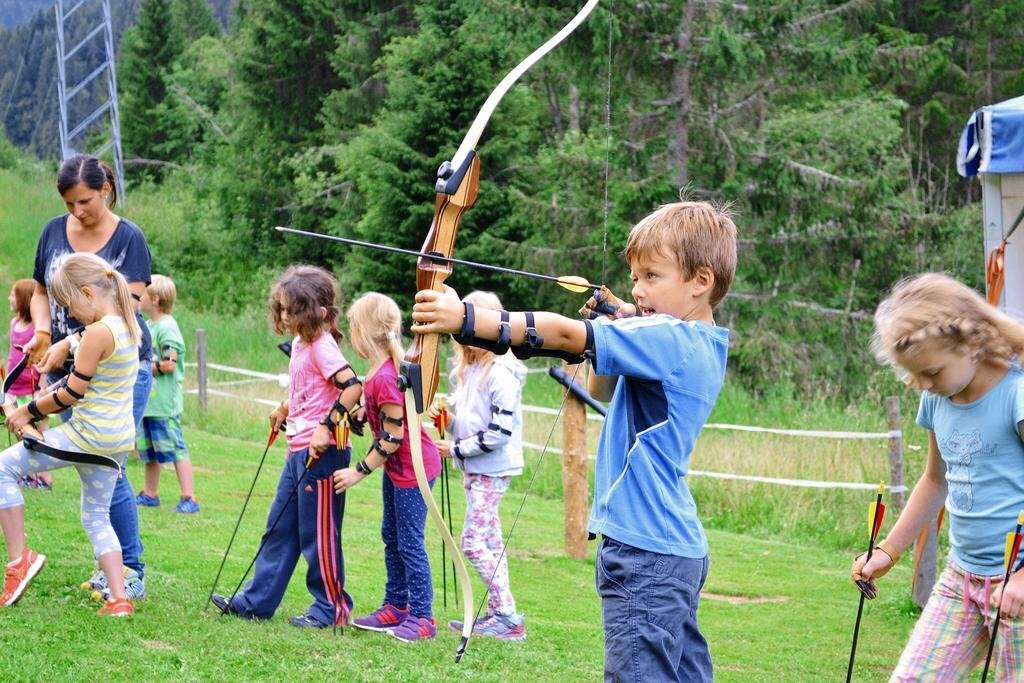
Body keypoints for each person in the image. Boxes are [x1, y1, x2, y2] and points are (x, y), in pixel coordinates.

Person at [412, 201, 738, 680]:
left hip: (644, 552)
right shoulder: (699, 342)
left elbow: (565, 335)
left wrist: (465, 318)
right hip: (672, 551)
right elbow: (601, 387)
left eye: (652, 276)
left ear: (700, 281)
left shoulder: (672, 338)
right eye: (635, 277)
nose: (637, 288)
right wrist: (621, 323)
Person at [852, 272, 1024, 681]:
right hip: (960, 579)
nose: (923, 385)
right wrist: (889, 550)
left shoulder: (1016, 396)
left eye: (931, 371)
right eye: (913, 375)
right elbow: (935, 481)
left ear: (971, 343)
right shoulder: (937, 399)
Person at [23, 154, 151, 600]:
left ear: (105, 191)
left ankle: (131, 571)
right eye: (69, 203)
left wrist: (69, 341)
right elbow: (41, 291)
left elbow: (126, 311)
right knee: (91, 467)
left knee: (108, 464)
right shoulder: (52, 232)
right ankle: (111, 570)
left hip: (120, 369)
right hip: (72, 368)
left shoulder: (129, 237)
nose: (77, 212)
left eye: (85, 201)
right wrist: (44, 333)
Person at [212, 265, 359, 628]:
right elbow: (311, 391)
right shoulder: (300, 343)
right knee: (279, 528)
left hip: (323, 453)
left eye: (292, 310)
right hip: (298, 449)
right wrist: (285, 408)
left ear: (316, 311)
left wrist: (326, 427)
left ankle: (331, 608)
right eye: (281, 309)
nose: (284, 316)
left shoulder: (322, 346)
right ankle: (255, 603)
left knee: (318, 535)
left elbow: (352, 387)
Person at [0, 253, 140, 616]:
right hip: (116, 441)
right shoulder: (127, 326)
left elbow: (72, 393)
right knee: (96, 516)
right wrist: (48, 379)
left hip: (87, 437)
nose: (70, 313)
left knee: (2, 469)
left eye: (69, 304)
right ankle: (119, 599)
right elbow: (83, 381)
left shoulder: (97, 333)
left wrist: (27, 411)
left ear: (88, 293)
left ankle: (19, 562)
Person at [333, 292, 442, 643]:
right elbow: (387, 414)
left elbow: (393, 438)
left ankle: (422, 617)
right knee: (391, 535)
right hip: (398, 469)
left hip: (413, 471)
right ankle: (396, 606)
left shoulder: (385, 376)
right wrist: (364, 413)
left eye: (352, 327)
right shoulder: (378, 373)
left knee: (409, 542)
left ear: (363, 333)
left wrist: (358, 471)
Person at [428, 290, 527, 641]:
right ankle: (500, 614)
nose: (465, 334)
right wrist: (448, 422)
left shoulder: (501, 372)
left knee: (472, 542)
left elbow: (499, 433)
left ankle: (508, 617)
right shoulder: (471, 369)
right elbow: (472, 425)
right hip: (477, 467)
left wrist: (455, 449)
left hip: (492, 468)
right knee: (491, 541)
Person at [135, 274, 198, 513]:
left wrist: (142, 367)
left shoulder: (167, 326)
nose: (139, 297)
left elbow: (169, 363)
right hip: (148, 404)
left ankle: (189, 498)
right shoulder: (147, 325)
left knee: (176, 449)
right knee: (149, 452)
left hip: (164, 405)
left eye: (143, 293)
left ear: (155, 299)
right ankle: (150, 494)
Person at [5, 279, 50, 490]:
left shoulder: (38, 330)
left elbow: (43, 358)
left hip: (33, 389)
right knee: (20, 431)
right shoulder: (14, 323)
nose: (9, 299)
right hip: (15, 388)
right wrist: (7, 383)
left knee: (38, 435)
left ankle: (44, 478)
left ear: (24, 299)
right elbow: (11, 355)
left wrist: (41, 388)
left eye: (13, 295)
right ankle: (27, 475)